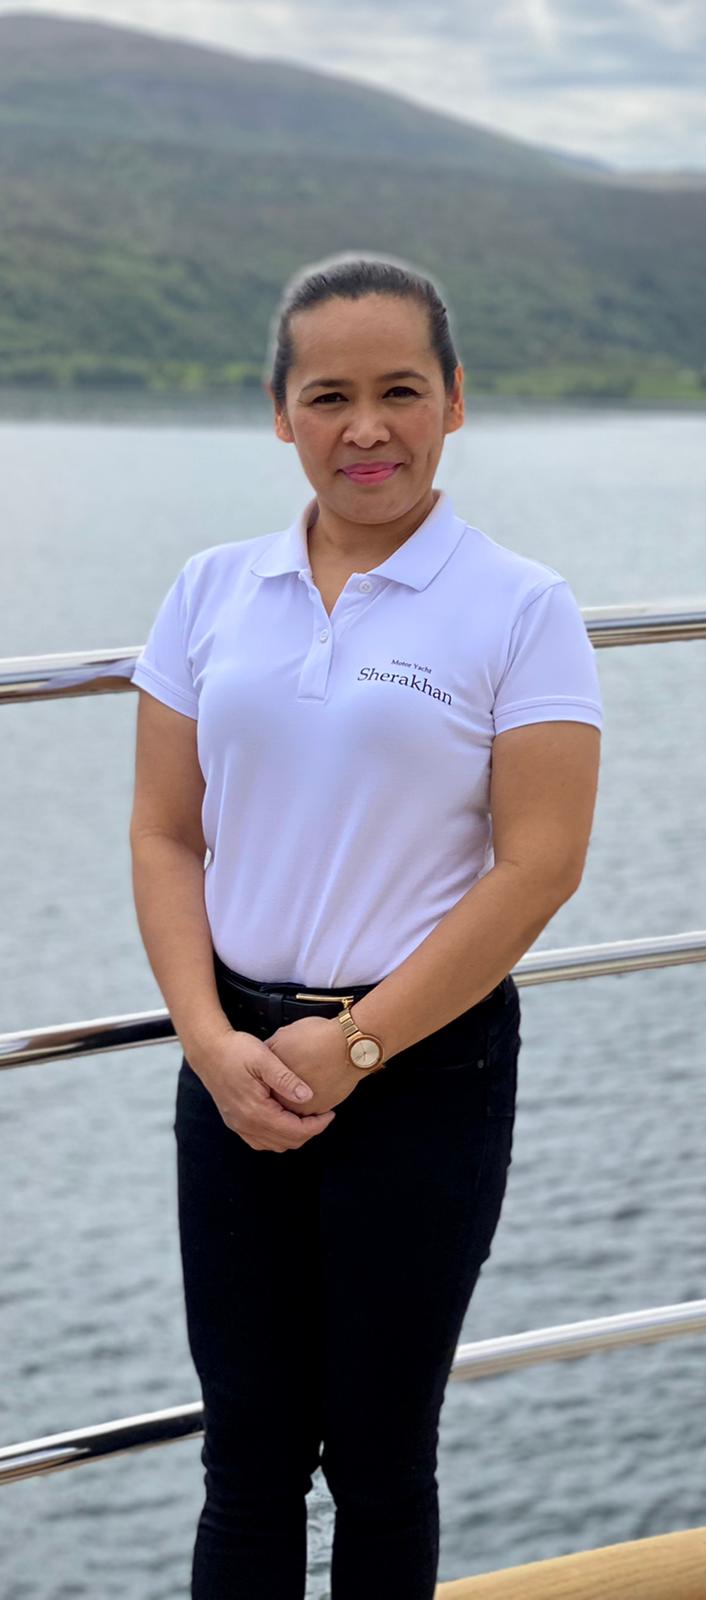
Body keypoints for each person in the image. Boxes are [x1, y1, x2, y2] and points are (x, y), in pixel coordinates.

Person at [129, 252, 603, 1600]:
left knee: (383, 1462)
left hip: (423, 1066)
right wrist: (210, 1042)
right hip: (233, 1060)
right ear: (279, 412)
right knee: (247, 1459)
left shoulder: (518, 606)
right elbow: (164, 833)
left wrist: (356, 1048)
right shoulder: (212, 589)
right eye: (328, 396)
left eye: (400, 390)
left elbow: (539, 866)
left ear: (454, 399)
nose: (366, 428)